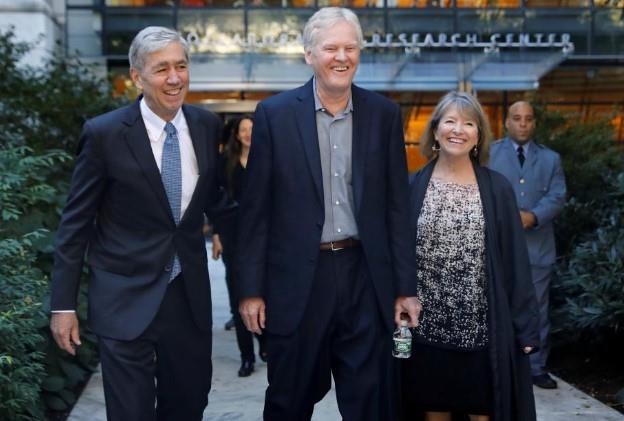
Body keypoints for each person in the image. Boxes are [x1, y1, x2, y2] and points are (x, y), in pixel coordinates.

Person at [237, 7, 421, 420]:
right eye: (331, 48)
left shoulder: (384, 115)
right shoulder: (275, 115)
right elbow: (255, 212)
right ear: (309, 54)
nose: (342, 56)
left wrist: (405, 287)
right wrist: (250, 290)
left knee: (371, 400)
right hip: (300, 281)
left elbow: (397, 209)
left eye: (350, 47)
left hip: (365, 278)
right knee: (289, 399)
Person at [49, 26, 227, 421]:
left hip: (188, 297)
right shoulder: (104, 134)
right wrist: (62, 305)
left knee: (189, 404)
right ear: (137, 76)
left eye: (181, 66)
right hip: (123, 297)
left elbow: (219, 203)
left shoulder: (207, 125)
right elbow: (75, 225)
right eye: (162, 69)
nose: (175, 78)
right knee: (130, 413)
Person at [403, 91, 540, 421]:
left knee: (483, 412)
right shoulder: (412, 185)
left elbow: (515, 263)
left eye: (468, 123)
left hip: (481, 330)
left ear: (479, 135)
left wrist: (526, 329)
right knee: (433, 410)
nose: (458, 129)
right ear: (435, 131)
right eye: (449, 121)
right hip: (427, 330)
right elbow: (398, 256)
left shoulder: (497, 188)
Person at [488, 100, 566, 389]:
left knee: (537, 309)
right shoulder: (489, 154)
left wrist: (533, 216)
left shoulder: (551, 159)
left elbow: (557, 196)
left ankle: (536, 368)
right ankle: (499, 362)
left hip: (538, 248)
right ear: (506, 122)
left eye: (528, 119)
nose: (523, 123)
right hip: (497, 248)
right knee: (496, 306)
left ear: (534, 123)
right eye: (517, 118)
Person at [211, 115, 267, 377]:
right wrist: (217, 234)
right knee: (238, 296)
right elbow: (214, 202)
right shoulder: (224, 163)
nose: (247, 134)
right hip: (233, 237)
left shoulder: (268, 160)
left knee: (264, 294)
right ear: (236, 134)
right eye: (243, 130)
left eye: (251, 129)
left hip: (265, 238)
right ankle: (247, 357)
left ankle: (265, 343)